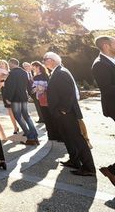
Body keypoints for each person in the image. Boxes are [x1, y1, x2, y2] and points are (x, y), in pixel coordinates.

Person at [44, 51, 95, 176]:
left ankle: (88, 167)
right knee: (67, 138)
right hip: (62, 113)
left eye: (45, 59)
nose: (44, 61)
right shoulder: (57, 72)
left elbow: (69, 94)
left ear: (51, 60)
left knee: (77, 139)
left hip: (67, 113)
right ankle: (74, 160)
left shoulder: (61, 72)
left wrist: (63, 110)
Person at [92, 36, 115, 186]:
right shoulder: (99, 64)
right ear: (106, 45)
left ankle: (112, 170)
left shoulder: (112, 59)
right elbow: (108, 89)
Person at [3, 58, 38, 145]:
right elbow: (28, 85)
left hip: (16, 99)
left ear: (12, 63)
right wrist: (30, 94)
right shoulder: (24, 72)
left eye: (9, 63)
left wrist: (8, 98)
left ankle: (30, 137)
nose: (9, 65)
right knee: (26, 116)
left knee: (18, 117)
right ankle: (35, 135)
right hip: (23, 97)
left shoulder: (12, 74)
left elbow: (12, 87)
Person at [31, 61, 59, 142]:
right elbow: (33, 89)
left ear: (38, 67)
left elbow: (49, 87)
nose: (33, 69)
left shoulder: (46, 75)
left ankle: (56, 134)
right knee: (46, 117)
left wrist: (40, 88)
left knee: (51, 116)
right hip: (40, 99)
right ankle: (51, 135)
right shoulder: (35, 77)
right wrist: (35, 88)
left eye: (34, 67)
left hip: (47, 99)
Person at [0, 60, 20, 134]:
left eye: (2, 63)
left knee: (17, 111)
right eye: (0, 64)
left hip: (13, 93)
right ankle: (15, 127)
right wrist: (0, 79)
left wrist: (4, 79)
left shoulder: (11, 72)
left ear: (6, 65)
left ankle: (23, 126)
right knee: (10, 111)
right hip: (5, 92)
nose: (1, 65)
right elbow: (0, 85)